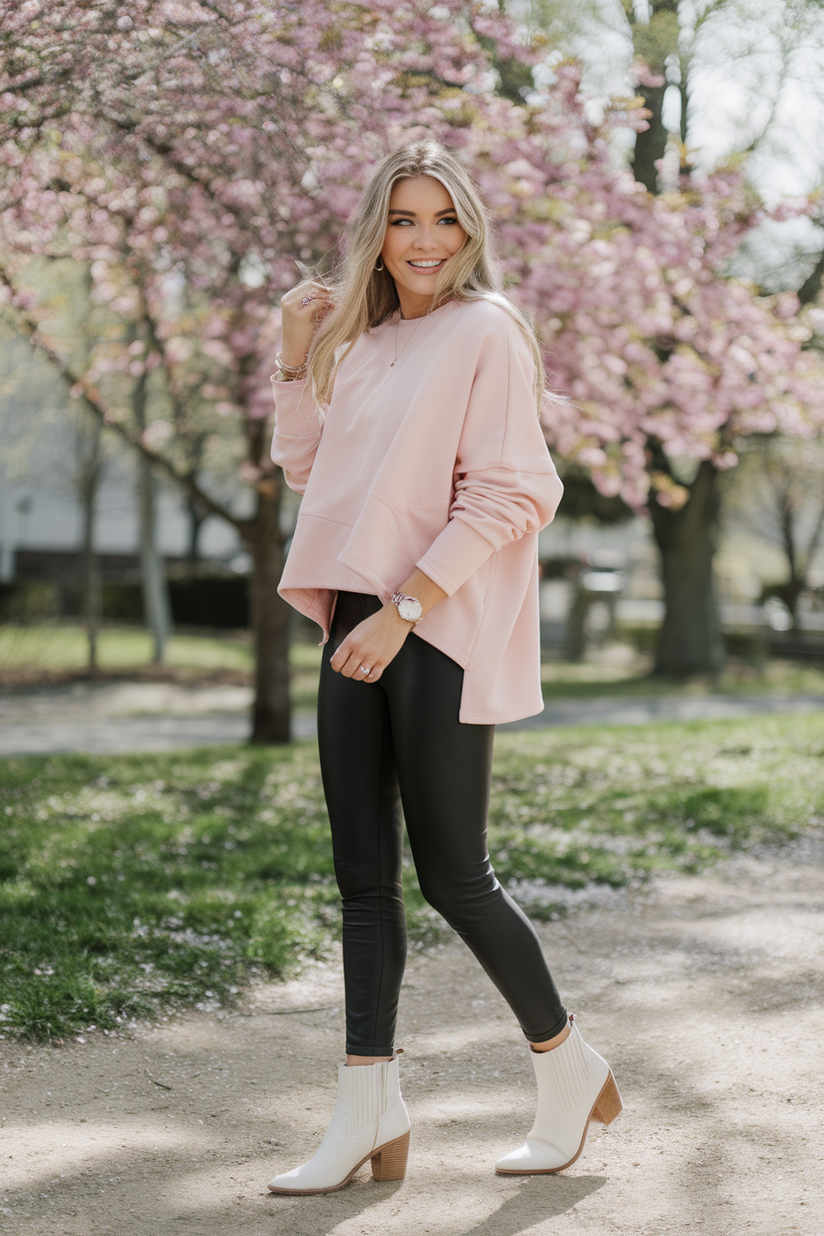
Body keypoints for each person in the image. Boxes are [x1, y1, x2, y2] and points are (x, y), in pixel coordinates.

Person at [266, 140, 621, 1196]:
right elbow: (308, 473)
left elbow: (516, 489)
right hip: (354, 616)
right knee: (360, 882)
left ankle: (566, 1070)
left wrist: (408, 608)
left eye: (444, 221)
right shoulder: (363, 342)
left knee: (453, 875)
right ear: (376, 231)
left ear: (468, 230)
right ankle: (366, 1106)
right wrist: (295, 358)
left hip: (439, 619)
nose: (425, 242)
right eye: (405, 221)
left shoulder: (487, 330)